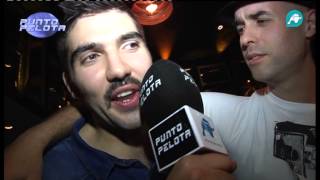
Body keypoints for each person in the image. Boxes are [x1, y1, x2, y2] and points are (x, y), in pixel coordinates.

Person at [4, 1, 315, 180]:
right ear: (71, 85)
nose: (118, 69)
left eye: (130, 44)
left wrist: (35, 135)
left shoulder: (193, 112)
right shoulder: (57, 172)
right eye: (91, 56)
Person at [199, 1, 316, 179]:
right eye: (240, 29)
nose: (245, 40)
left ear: (308, 24)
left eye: (261, 21)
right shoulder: (212, 112)